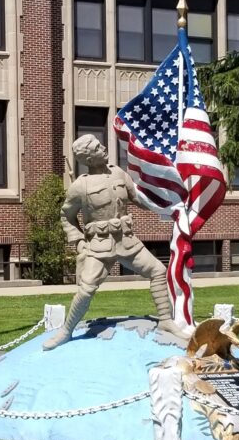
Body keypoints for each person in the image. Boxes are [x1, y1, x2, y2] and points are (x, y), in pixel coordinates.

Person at [43, 134, 179, 350]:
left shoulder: (119, 173)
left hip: (127, 241)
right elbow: (66, 217)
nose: (104, 148)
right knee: (86, 289)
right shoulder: (80, 186)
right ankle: (66, 331)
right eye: (98, 147)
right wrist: (78, 242)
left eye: (101, 144)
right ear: (88, 159)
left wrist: (167, 203)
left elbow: (138, 199)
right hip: (99, 246)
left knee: (158, 271)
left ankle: (165, 320)